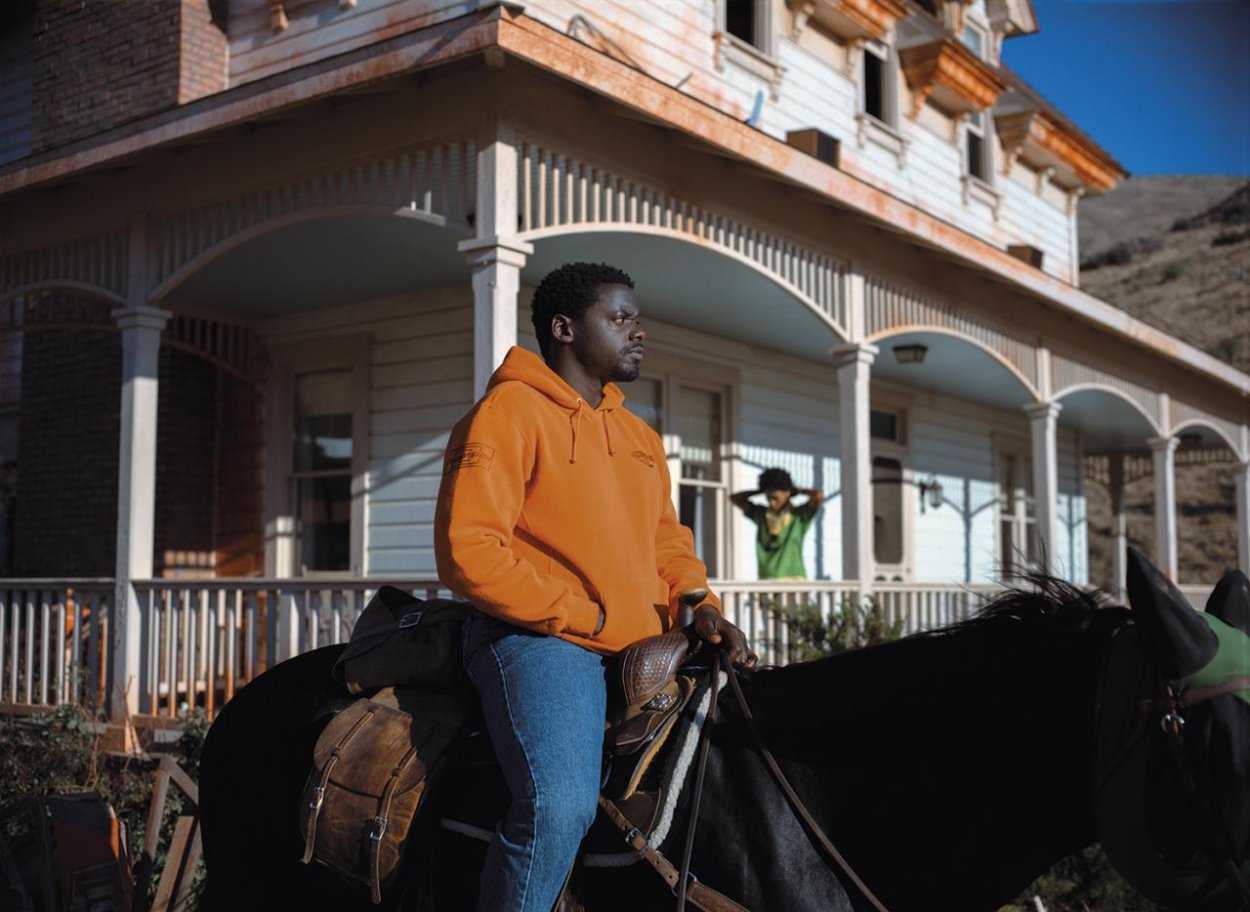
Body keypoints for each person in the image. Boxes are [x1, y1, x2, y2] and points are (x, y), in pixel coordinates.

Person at [434, 262, 756, 912]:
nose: (638, 333)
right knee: (559, 808)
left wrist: (699, 606)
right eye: (619, 319)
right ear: (564, 328)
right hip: (539, 642)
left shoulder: (638, 436)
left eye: (636, 320)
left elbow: (667, 543)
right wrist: (585, 613)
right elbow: (467, 552)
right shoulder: (507, 413)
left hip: (646, 643)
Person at [731, 467, 824, 580]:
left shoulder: (799, 515)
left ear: (787, 493)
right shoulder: (761, 514)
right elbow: (735, 498)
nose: (771, 501)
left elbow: (818, 496)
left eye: (775, 497)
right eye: (768, 497)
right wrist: (761, 490)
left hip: (794, 580)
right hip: (766, 580)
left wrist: (797, 490)